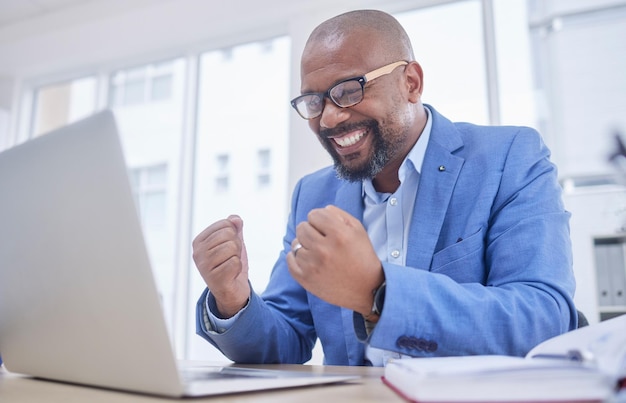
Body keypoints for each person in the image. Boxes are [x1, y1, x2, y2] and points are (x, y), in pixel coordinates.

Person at [192, 9, 577, 366]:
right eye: (314, 101)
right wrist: (233, 299)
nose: (329, 118)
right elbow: (286, 338)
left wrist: (378, 293)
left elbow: (543, 317)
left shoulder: (508, 158)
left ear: (411, 82)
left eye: (349, 90)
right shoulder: (312, 196)